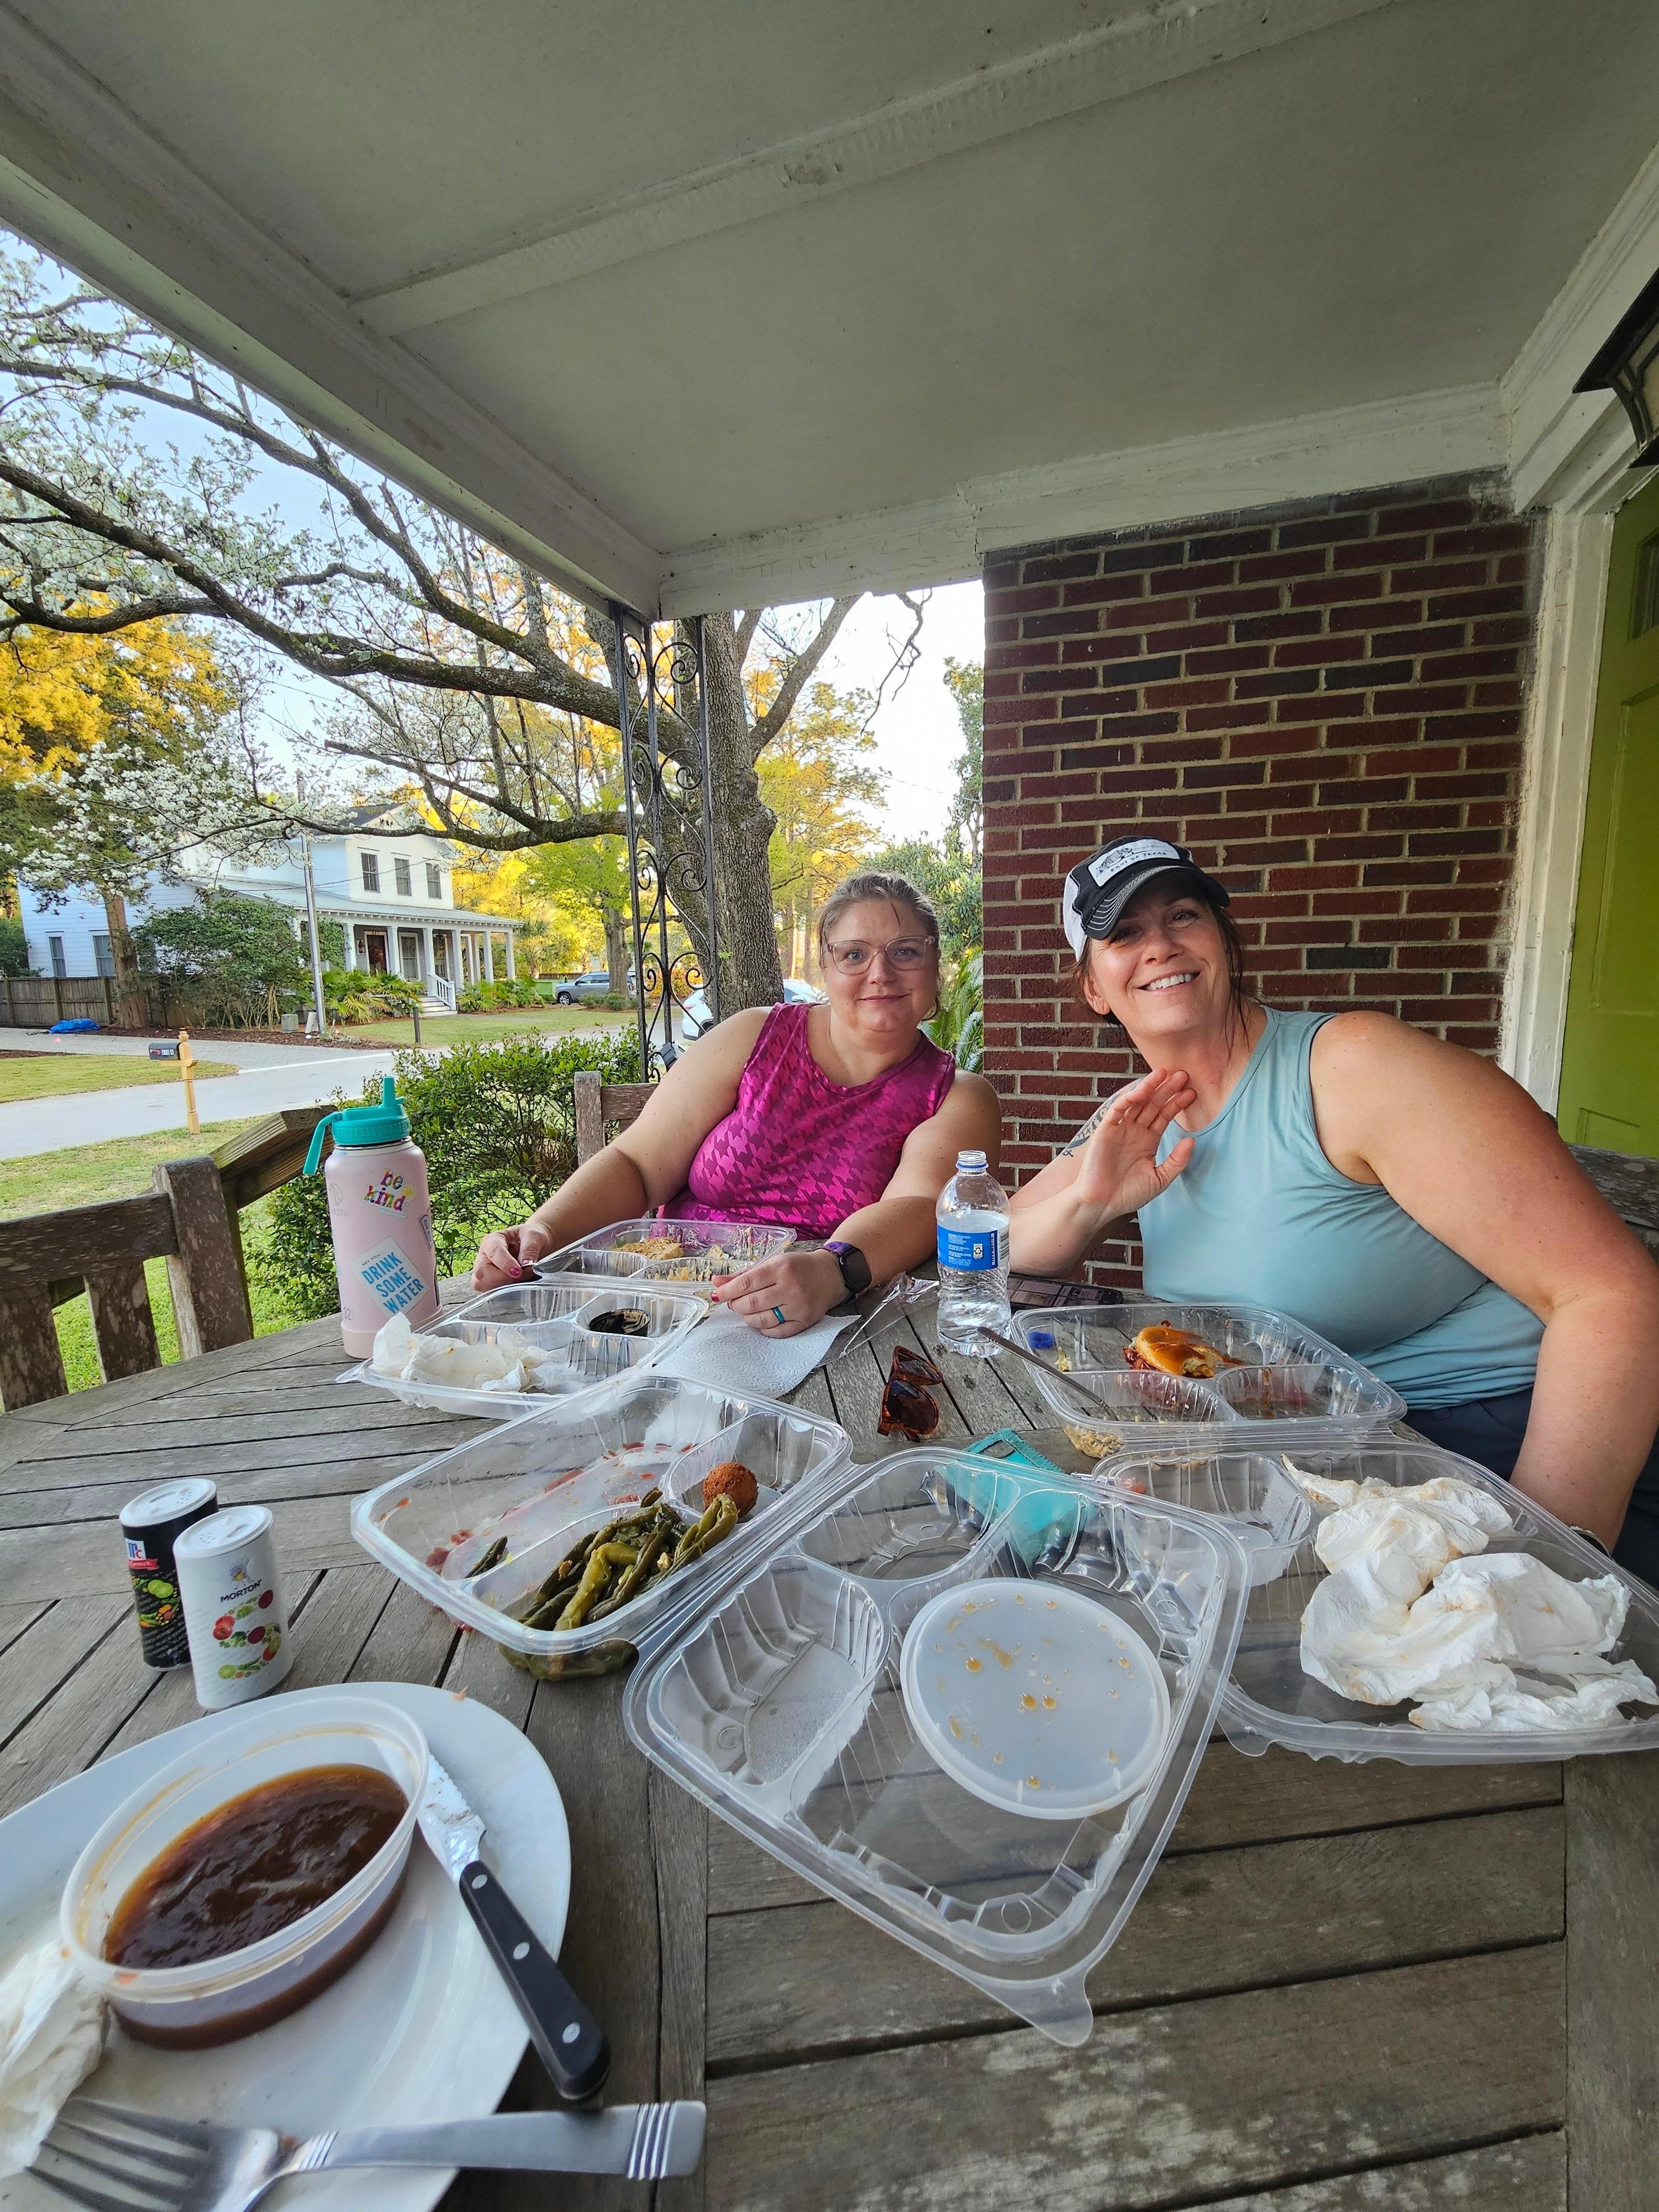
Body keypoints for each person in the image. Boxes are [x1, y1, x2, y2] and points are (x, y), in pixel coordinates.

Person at [1007, 834, 1659, 1575]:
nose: (1159, 945)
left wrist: (1543, 1559)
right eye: (1124, 933)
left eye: (1183, 915)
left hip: (1500, 1444)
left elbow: (1611, 1294)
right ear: (1094, 988)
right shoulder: (1139, 1116)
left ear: (1223, 941)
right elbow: (990, 1248)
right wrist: (1092, 1202)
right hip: (1318, 1457)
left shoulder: (1351, 1066)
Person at [472, 873, 999, 1335]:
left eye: (905, 951)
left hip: (827, 1325)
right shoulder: (753, 1037)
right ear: (826, 967)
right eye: (854, 954)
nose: (880, 973)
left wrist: (833, 1270)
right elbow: (638, 1164)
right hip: (662, 1306)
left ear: (936, 965)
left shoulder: (956, 1096)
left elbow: (921, 1206)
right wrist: (545, 1233)